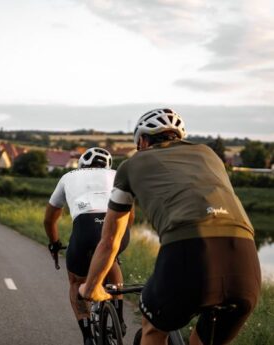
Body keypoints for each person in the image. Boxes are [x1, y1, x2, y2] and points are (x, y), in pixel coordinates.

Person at [79, 109, 261, 345]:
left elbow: (110, 241)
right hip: (245, 259)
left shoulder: (131, 164)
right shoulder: (209, 155)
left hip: (189, 251)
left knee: (153, 329)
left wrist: (91, 287)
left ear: (143, 141)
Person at [44, 147, 133, 345]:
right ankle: (119, 316)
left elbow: (50, 219)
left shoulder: (69, 176)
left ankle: (87, 337)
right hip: (118, 226)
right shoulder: (117, 174)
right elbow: (130, 213)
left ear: (82, 164)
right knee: (111, 258)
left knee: (76, 283)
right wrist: (120, 239)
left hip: (85, 227)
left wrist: (55, 243)